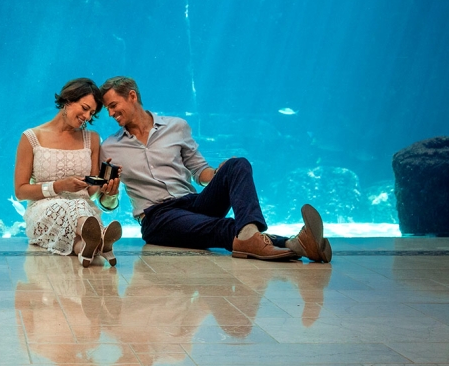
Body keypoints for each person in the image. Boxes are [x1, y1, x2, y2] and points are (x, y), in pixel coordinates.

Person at [96, 76, 331, 263]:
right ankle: (294, 244)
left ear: (132, 96)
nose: (110, 113)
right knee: (222, 227)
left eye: (113, 105)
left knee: (238, 164)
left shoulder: (177, 127)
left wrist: (219, 175)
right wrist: (110, 195)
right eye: (107, 108)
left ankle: (251, 233)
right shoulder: (110, 146)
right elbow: (106, 203)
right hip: (157, 217)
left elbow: (200, 171)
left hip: (192, 203)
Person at [14, 78, 121, 267]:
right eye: (85, 108)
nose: (87, 117)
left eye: (92, 113)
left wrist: (103, 183)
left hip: (84, 208)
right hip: (44, 211)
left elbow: (90, 193)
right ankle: (101, 237)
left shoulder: (92, 139)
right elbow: (21, 192)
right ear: (68, 100)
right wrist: (59, 186)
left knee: (82, 220)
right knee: (71, 207)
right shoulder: (31, 137)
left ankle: (88, 246)